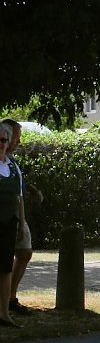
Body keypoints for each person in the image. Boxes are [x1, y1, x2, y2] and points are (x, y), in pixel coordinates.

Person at [1, 119, 37, 315]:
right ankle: (7, 301)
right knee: (6, 260)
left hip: (16, 213)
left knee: (24, 252)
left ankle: (10, 298)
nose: (18, 142)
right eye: (16, 137)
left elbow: (18, 186)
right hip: (6, 214)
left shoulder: (11, 162)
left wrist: (31, 190)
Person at [0, 122, 24, 327]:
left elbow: (19, 197)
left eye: (4, 140)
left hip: (9, 222)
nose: (1, 144)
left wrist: (21, 223)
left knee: (5, 269)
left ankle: (4, 313)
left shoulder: (12, 166)